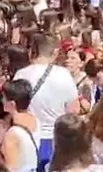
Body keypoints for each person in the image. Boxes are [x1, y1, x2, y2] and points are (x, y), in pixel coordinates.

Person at [13, 34, 79, 170]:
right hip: (56, 139)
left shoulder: (20, 74)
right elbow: (73, 110)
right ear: (55, 52)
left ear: (32, 50)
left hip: (26, 137)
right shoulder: (64, 75)